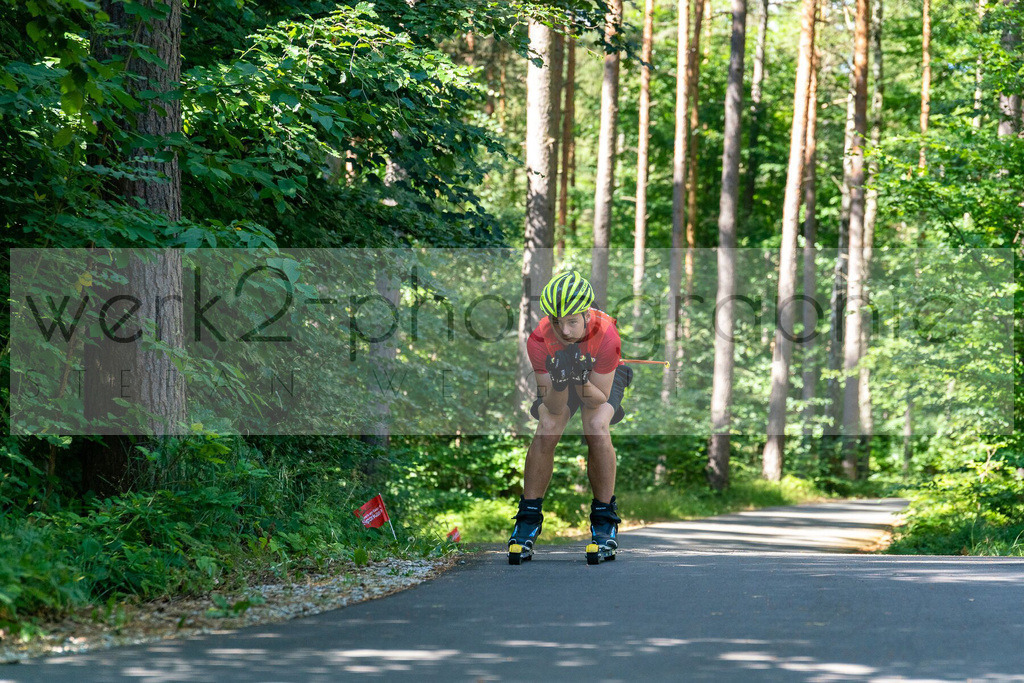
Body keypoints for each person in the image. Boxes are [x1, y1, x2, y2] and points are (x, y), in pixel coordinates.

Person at [508, 270, 633, 564]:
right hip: (562, 378)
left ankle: (604, 520)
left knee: (596, 425)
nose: (564, 330)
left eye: (572, 321)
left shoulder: (607, 336)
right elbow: (553, 406)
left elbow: (596, 398)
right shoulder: (539, 340)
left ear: (587, 315)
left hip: (599, 381)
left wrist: (579, 375)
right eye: (557, 321)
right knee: (547, 425)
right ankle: (528, 518)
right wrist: (562, 379)